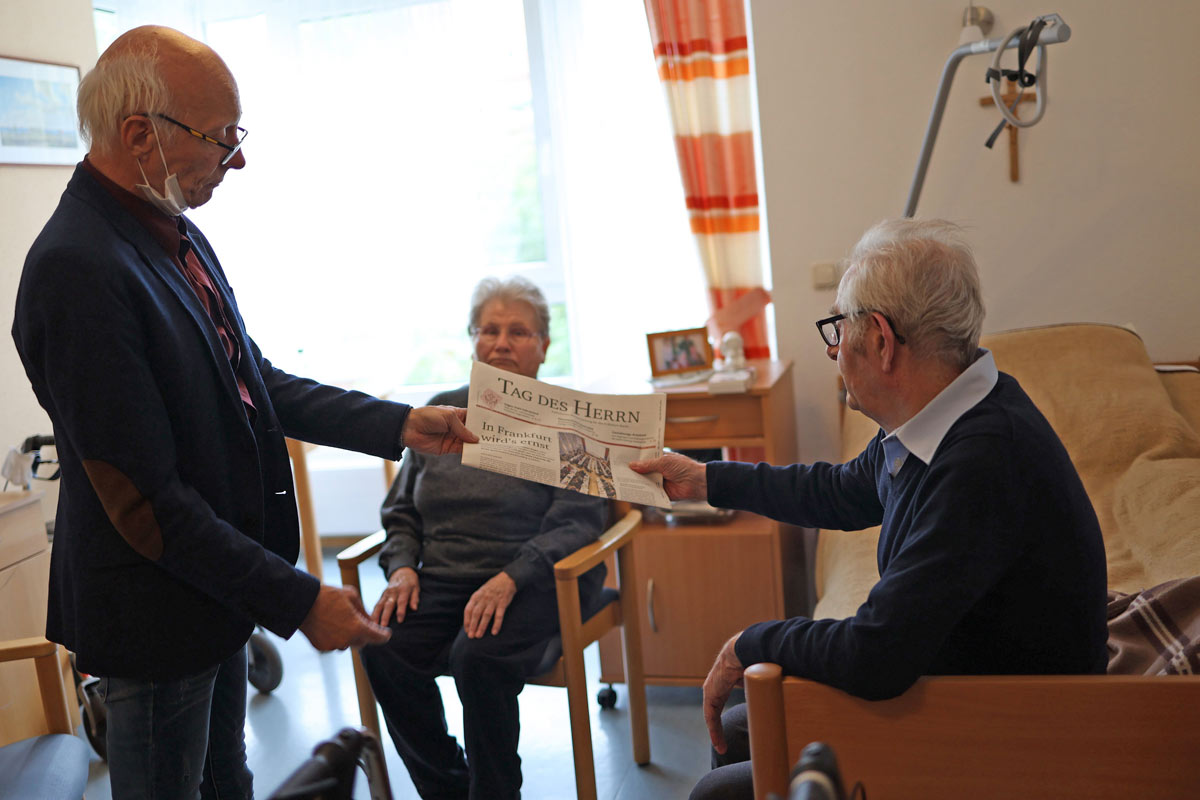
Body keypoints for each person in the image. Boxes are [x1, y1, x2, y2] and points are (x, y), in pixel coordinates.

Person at [10, 26, 476, 799]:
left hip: (211, 592)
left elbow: (253, 380)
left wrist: (397, 425)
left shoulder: (171, 233)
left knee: (227, 779)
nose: (239, 157)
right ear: (139, 135)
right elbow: (147, 506)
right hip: (156, 614)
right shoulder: (78, 269)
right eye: (221, 138)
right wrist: (298, 599)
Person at [631, 219, 1109, 800]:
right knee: (741, 730)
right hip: (963, 684)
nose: (834, 351)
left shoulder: (983, 458)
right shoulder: (942, 414)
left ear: (881, 340)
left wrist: (749, 642)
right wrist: (706, 479)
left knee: (719, 789)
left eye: (838, 329)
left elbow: (874, 654)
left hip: (1016, 731)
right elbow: (841, 490)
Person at [359, 276, 608, 800]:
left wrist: (511, 578)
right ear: (472, 340)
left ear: (544, 344)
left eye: (519, 331)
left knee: (477, 657)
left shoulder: (571, 418)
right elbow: (401, 510)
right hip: (445, 579)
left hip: (538, 580)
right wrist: (402, 565)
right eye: (489, 330)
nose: (501, 342)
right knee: (380, 643)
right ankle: (449, 787)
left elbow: (579, 521)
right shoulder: (443, 411)